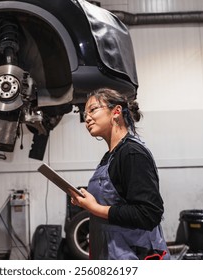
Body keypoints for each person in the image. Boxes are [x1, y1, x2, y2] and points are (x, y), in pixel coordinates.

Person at [71, 87, 170, 260]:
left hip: (134, 255)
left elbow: (148, 213)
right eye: (84, 114)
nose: (86, 118)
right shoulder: (110, 156)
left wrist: (96, 208)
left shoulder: (132, 153)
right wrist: (86, 201)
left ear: (116, 111)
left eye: (93, 110)